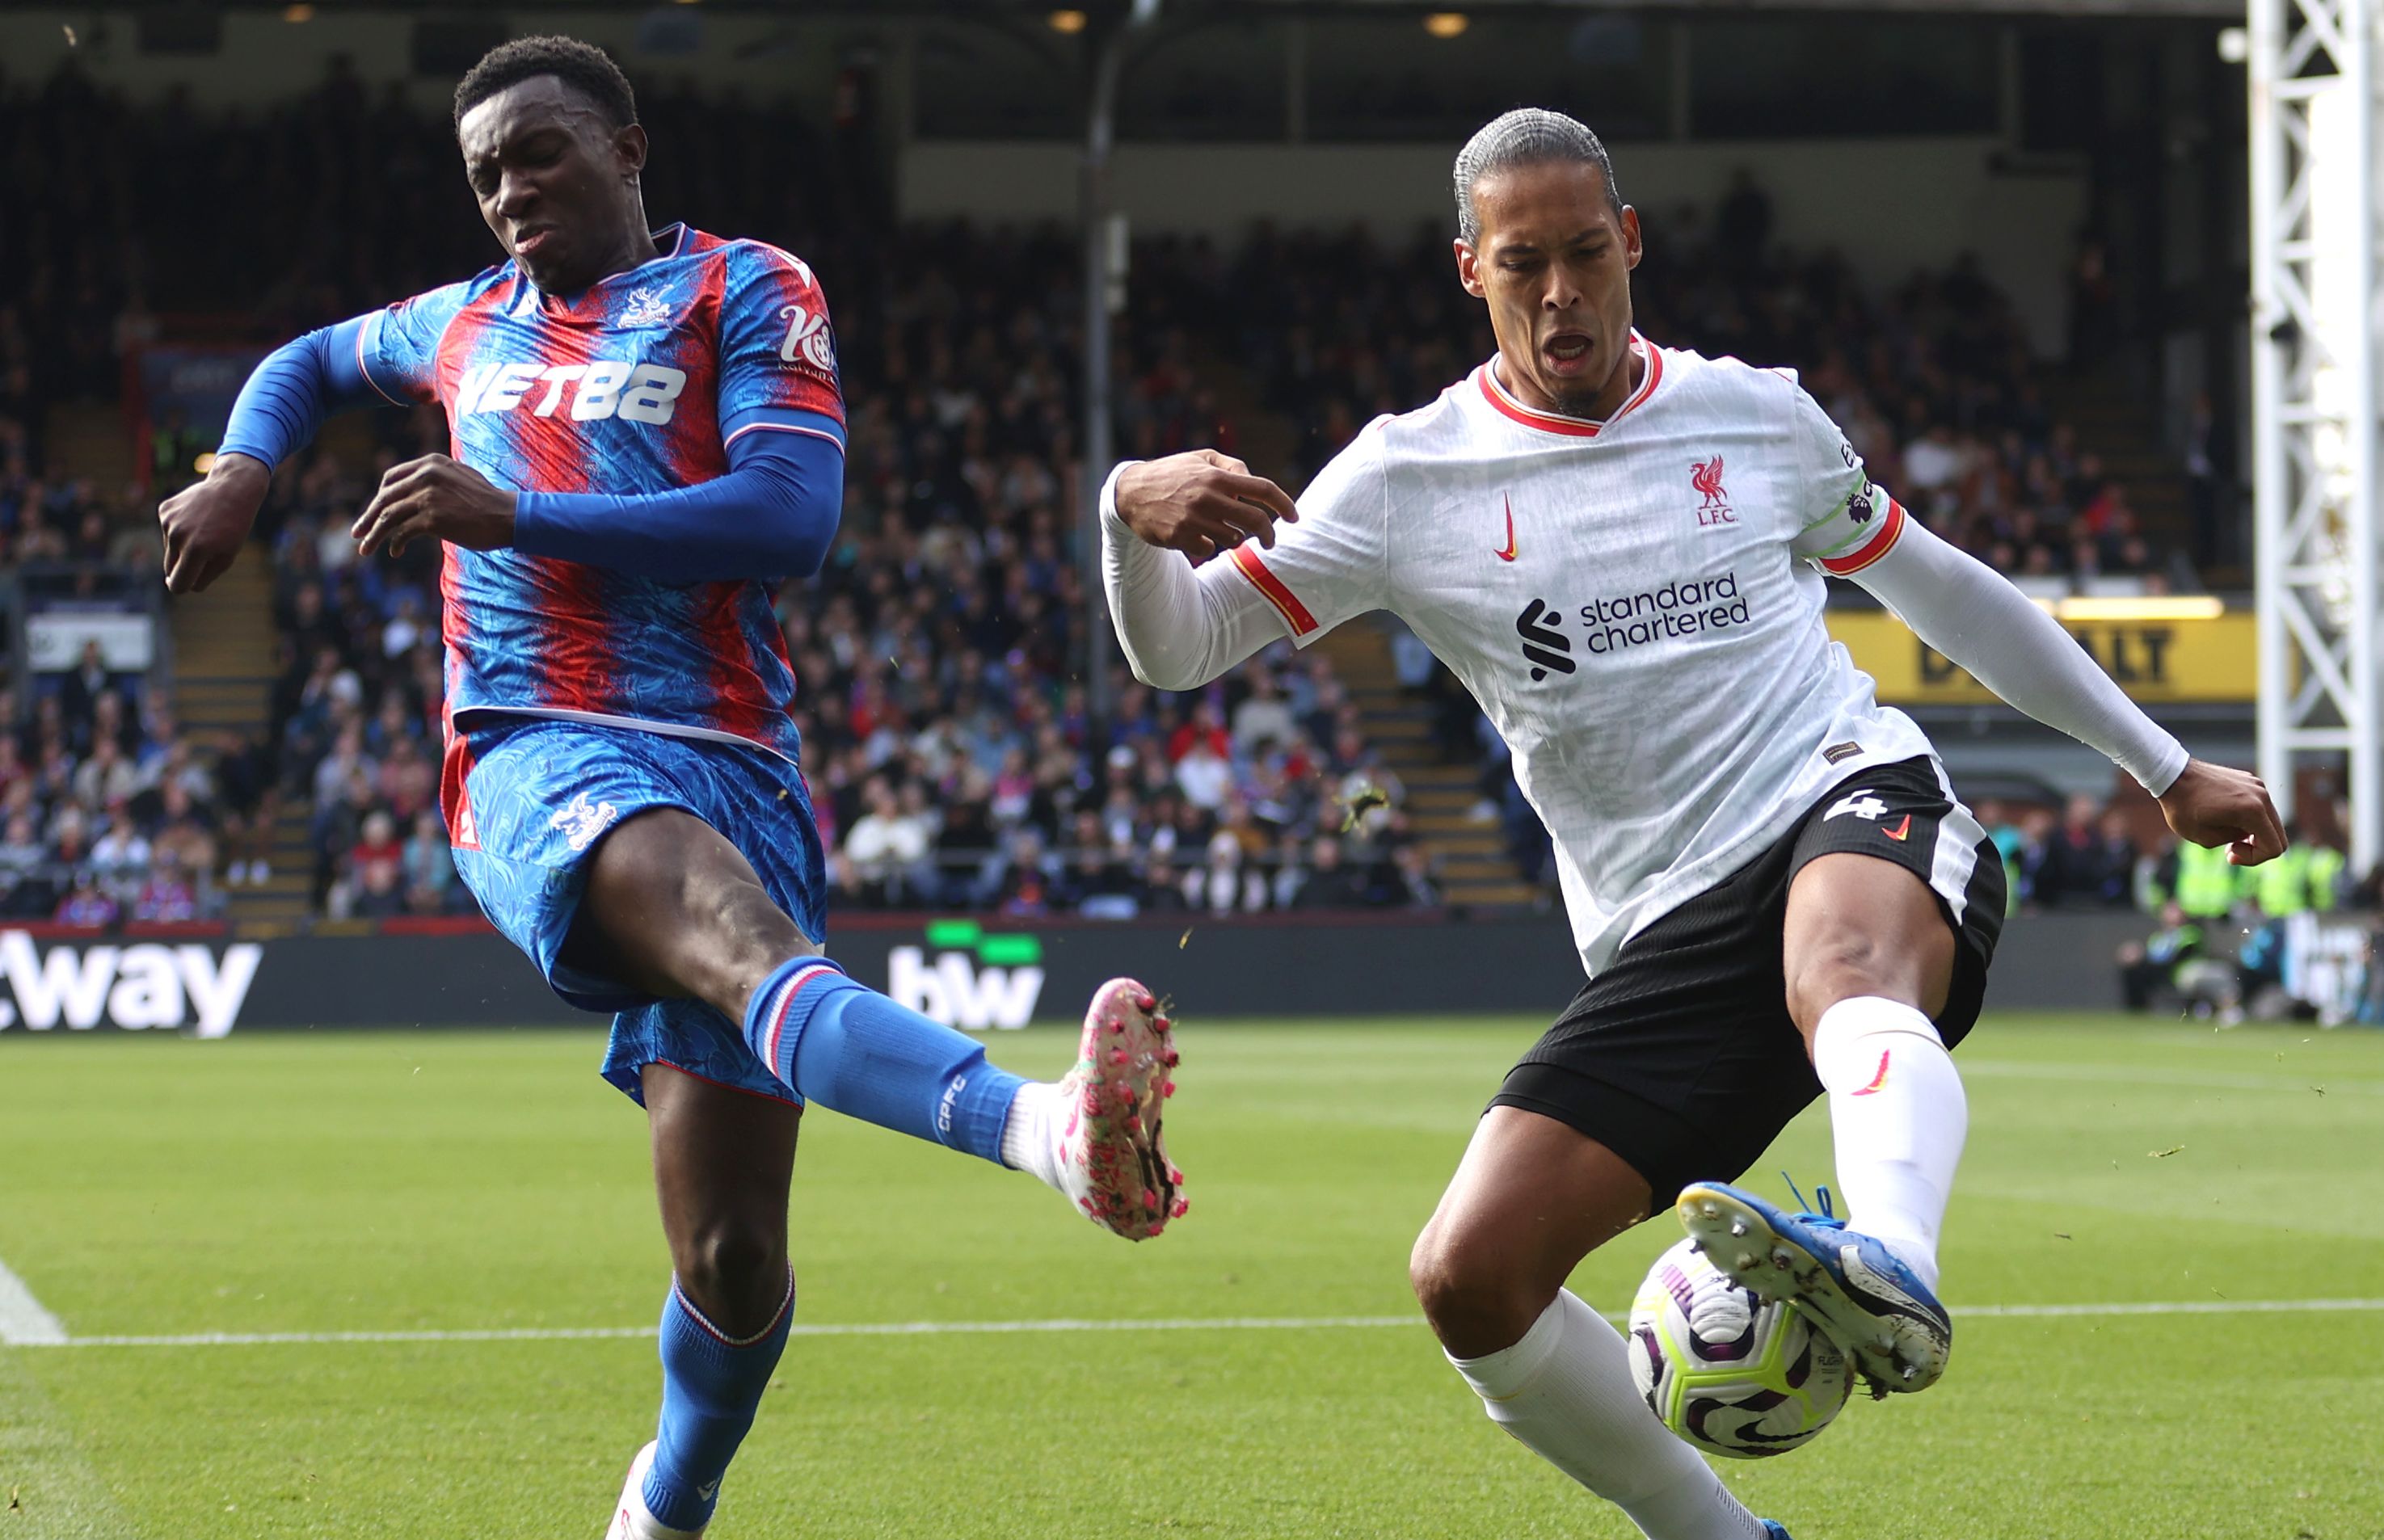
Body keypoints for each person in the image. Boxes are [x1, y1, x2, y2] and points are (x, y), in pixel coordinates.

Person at [1099, 107, 2284, 1540]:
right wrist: (1123, 511)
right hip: (1661, 921)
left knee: (1837, 965)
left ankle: (1889, 1263)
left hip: (1843, 796)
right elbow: (1177, 653)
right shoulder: (1402, 481)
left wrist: (2162, 766)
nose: (1558, 294)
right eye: (1521, 262)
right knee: (1467, 1275)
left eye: (1585, 253)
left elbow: (1945, 592)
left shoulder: (1755, 413)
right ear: (1464, 268)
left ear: (1631, 243)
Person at [156, 37, 1184, 1540]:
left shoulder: (748, 290)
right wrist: (249, 464)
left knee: (729, 1260)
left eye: (541, 154)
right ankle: (1047, 1133)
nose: (511, 192)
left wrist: (512, 509)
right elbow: (307, 362)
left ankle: (659, 1509)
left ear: (629, 149)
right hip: (533, 741)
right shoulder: (462, 322)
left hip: (735, 765)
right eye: (486, 173)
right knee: (747, 948)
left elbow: (789, 515)